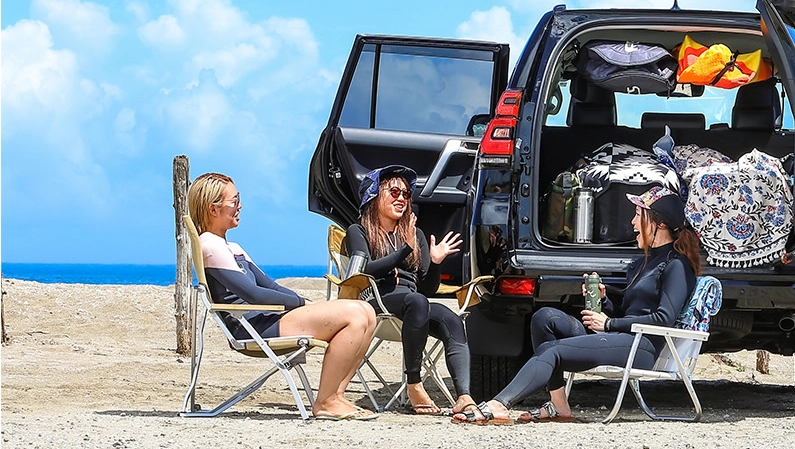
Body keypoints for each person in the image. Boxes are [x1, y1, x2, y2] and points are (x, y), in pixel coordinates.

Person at [453, 185, 701, 424]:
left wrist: (609, 323)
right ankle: (559, 404)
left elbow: (664, 319)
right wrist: (604, 301)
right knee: (545, 318)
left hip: (641, 347)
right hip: (620, 337)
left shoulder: (676, 265)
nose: (633, 223)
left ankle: (500, 404)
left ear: (660, 224)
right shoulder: (642, 263)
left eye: (638, 216)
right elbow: (629, 312)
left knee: (552, 350)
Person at [188, 172, 379, 421]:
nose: (240, 206)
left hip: (267, 319)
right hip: (252, 327)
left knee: (367, 312)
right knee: (355, 314)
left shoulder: (231, 247)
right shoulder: (209, 245)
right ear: (213, 209)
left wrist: (305, 304)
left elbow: (270, 286)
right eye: (234, 201)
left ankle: (336, 396)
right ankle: (326, 401)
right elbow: (253, 295)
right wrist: (301, 304)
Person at [343, 165, 475, 416]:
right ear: (374, 195)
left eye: (406, 194)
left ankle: (464, 396)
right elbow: (363, 271)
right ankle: (414, 383)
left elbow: (427, 288)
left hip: (414, 306)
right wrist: (405, 249)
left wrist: (435, 262)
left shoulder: (416, 234)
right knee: (416, 301)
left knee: (451, 319)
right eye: (394, 192)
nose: (401, 198)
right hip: (377, 300)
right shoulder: (358, 231)